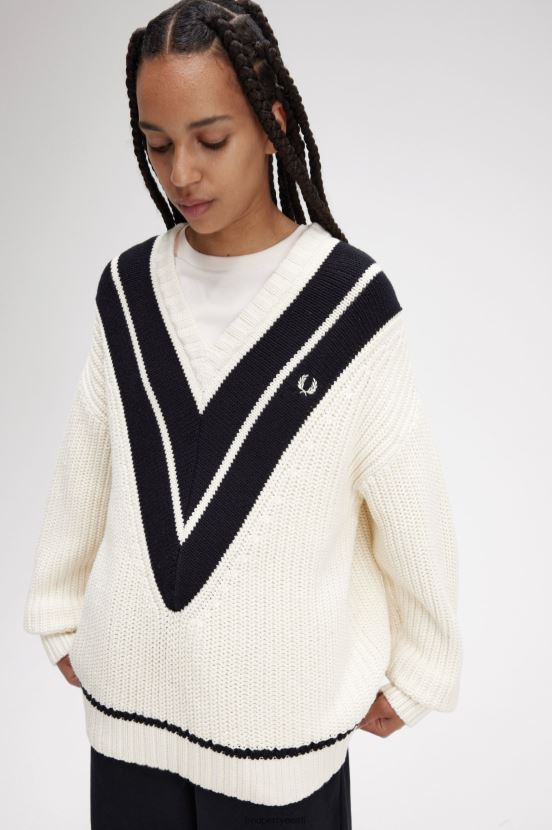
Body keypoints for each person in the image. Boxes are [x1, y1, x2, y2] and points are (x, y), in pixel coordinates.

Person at [23, 1, 463, 827]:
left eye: (210, 139)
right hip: (128, 719)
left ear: (271, 124)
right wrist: (57, 610)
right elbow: (88, 462)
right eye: (157, 145)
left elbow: (409, 497)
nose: (182, 172)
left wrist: (421, 670)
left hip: (280, 740)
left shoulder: (351, 305)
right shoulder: (127, 292)